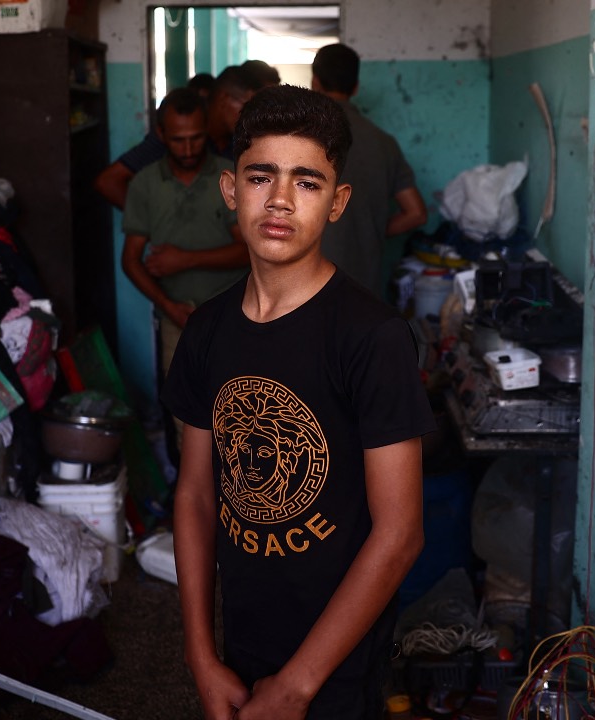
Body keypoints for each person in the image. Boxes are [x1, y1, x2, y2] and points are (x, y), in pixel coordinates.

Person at [164, 85, 436, 720]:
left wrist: (296, 687)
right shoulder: (206, 332)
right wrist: (201, 658)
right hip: (243, 643)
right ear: (231, 190)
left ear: (338, 202)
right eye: (262, 177)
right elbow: (197, 497)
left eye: (307, 183)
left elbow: (399, 534)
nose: (281, 200)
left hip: (338, 662)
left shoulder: (371, 337)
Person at [120, 87, 249, 449]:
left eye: (196, 138)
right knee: (186, 426)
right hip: (177, 321)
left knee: (239, 421)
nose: (189, 149)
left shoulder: (231, 177)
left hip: (234, 317)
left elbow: (252, 251)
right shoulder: (145, 184)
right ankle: (195, 501)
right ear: (161, 135)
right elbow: (130, 260)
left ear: (206, 131)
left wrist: (186, 258)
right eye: (179, 140)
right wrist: (168, 306)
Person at [311, 43, 427, 298]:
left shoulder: (301, 137)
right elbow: (416, 213)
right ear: (355, 87)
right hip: (364, 290)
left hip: (306, 287)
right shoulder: (383, 142)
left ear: (314, 81)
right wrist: (368, 227)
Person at [95, 66, 261, 209]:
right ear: (224, 99)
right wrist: (150, 223)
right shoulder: (173, 133)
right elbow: (108, 181)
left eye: (197, 138)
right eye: (248, 106)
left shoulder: (241, 140)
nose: (254, 116)